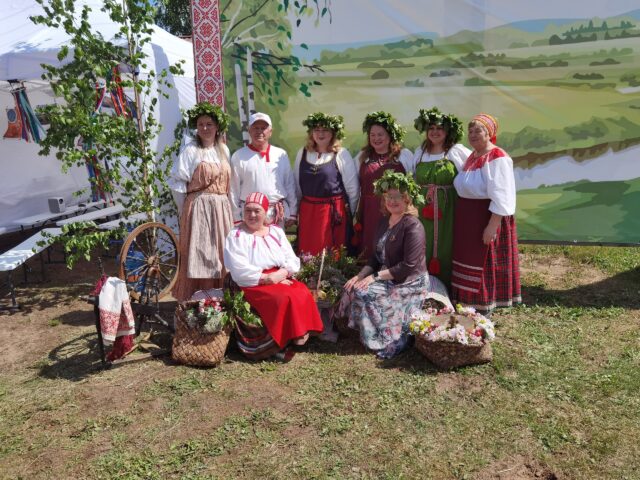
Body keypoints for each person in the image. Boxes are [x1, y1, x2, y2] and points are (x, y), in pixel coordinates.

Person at [343, 170, 433, 359]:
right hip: (389, 275)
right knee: (355, 287)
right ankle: (373, 336)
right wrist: (360, 276)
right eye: (388, 197)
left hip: (409, 282)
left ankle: (390, 337)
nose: (392, 201)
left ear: (407, 199)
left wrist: (374, 277)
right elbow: (376, 257)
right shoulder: (384, 222)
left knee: (365, 292)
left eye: (397, 197)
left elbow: (408, 265)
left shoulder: (413, 226)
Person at [223, 192, 324, 358]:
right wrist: (267, 279)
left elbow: (291, 258)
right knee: (282, 298)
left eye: (257, 211)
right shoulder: (236, 235)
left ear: (265, 212)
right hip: (252, 281)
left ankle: (299, 334)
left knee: (301, 291)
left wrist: (282, 273)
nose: (252, 215)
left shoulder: (276, 231)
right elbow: (238, 268)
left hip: (279, 275)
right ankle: (280, 341)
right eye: (248, 210)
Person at [451, 113, 521, 315]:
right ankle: (466, 307)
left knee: (483, 263)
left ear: (489, 133)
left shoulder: (497, 157)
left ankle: (483, 310)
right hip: (468, 219)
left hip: (486, 217)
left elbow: (502, 194)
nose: (473, 135)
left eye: (478, 131)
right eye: (470, 131)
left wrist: (492, 226)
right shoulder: (472, 157)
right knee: (468, 261)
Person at [168, 102, 233, 302]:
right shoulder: (191, 151)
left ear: (217, 127)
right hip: (199, 208)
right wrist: (186, 210)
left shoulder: (223, 150)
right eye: (201, 124)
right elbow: (177, 183)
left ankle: (222, 299)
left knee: (221, 253)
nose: (204, 128)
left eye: (209, 124)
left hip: (221, 207)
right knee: (202, 253)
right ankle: (199, 301)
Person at [406, 107, 471, 287]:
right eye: (431, 128)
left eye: (440, 128)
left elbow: (472, 173)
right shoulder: (420, 152)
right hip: (422, 207)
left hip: (449, 207)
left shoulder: (456, 151)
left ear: (448, 131)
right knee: (422, 242)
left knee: (446, 243)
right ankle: (422, 285)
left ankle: (448, 286)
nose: (435, 132)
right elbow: (412, 178)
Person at [294, 112, 359, 255]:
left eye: (325, 130)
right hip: (308, 212)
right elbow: (297, 186)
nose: (320, 134)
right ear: (311, 133)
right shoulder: (302, 153)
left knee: (331, 253)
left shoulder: (341, 154)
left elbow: (352, 189)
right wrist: (296, 211)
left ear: (333, 133)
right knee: (308, 252)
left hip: (332, 213)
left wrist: (348, 214)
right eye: (317, 130)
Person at [354, 111, 413, 258]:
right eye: (372, 135)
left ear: (390, 136)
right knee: (370, 245)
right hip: (369, 210)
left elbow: (412, 184)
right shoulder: (362, 157)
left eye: (380, 134)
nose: (376, 138)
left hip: (395, 209)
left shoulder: (403, 155)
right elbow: (355, 186)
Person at [229, 112, 297, 228]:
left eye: (263, 128)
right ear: (249, 131)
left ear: (270, 132)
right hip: (250, 214)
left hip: (276, 213)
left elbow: (289, 184)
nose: (259, 131)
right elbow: (233, 189)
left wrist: (293, 212)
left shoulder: (280, 155)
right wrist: (236, 217)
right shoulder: (239, 156)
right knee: (250, 240)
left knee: (275, 240)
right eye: (255, 128)